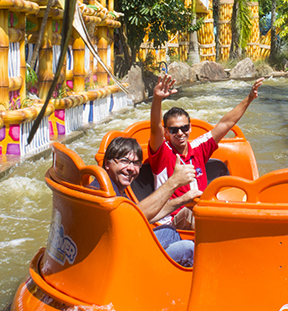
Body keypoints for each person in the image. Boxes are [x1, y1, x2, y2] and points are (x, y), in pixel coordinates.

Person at [147, 74, 264, 218]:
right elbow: (155, 127)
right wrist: (157, 99)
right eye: (173, 130)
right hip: (172, 218)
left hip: (202, 212)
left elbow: (225, 124)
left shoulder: (198, 148)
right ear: (166, 132)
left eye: (184, 128)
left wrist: (249, 98)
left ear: (190, 128)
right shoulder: (163, 153)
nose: (180, 133)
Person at [93, 137, 199, 267]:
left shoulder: (114, 187)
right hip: (120, 260)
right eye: (124, 161)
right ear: (107, 163)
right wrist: (174, 181)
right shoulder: (103, 191)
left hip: (124, 245)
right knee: (189, 249)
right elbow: (134, 218)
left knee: (169, 231)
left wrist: (183, 199)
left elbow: (143, 216)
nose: (131, 168)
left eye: (136, 163)